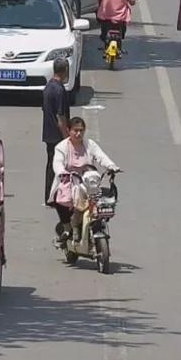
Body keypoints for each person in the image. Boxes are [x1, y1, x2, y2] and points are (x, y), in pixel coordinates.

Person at [48, 117, 120, 239]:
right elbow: (57, 163)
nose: (78, 133)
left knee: (104, 199)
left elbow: (101, 156)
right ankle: (67, 228)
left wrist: (111, 166)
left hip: (89, 182)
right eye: (75, 130)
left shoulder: (90, 144)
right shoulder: (61, 147)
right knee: (60, 199)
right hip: (69, 181)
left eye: (81, 130)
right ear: (68, 130)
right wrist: (62, 172)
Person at [41, 58, 71, 204]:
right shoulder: (59, 90)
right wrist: (66, 136)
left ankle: (49, 196)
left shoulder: (48, 87)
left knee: (51, 165)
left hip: (48, 133)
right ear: (64, 70)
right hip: (57, 135)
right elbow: (61, 116)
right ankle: (53, 196)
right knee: (57, 166)